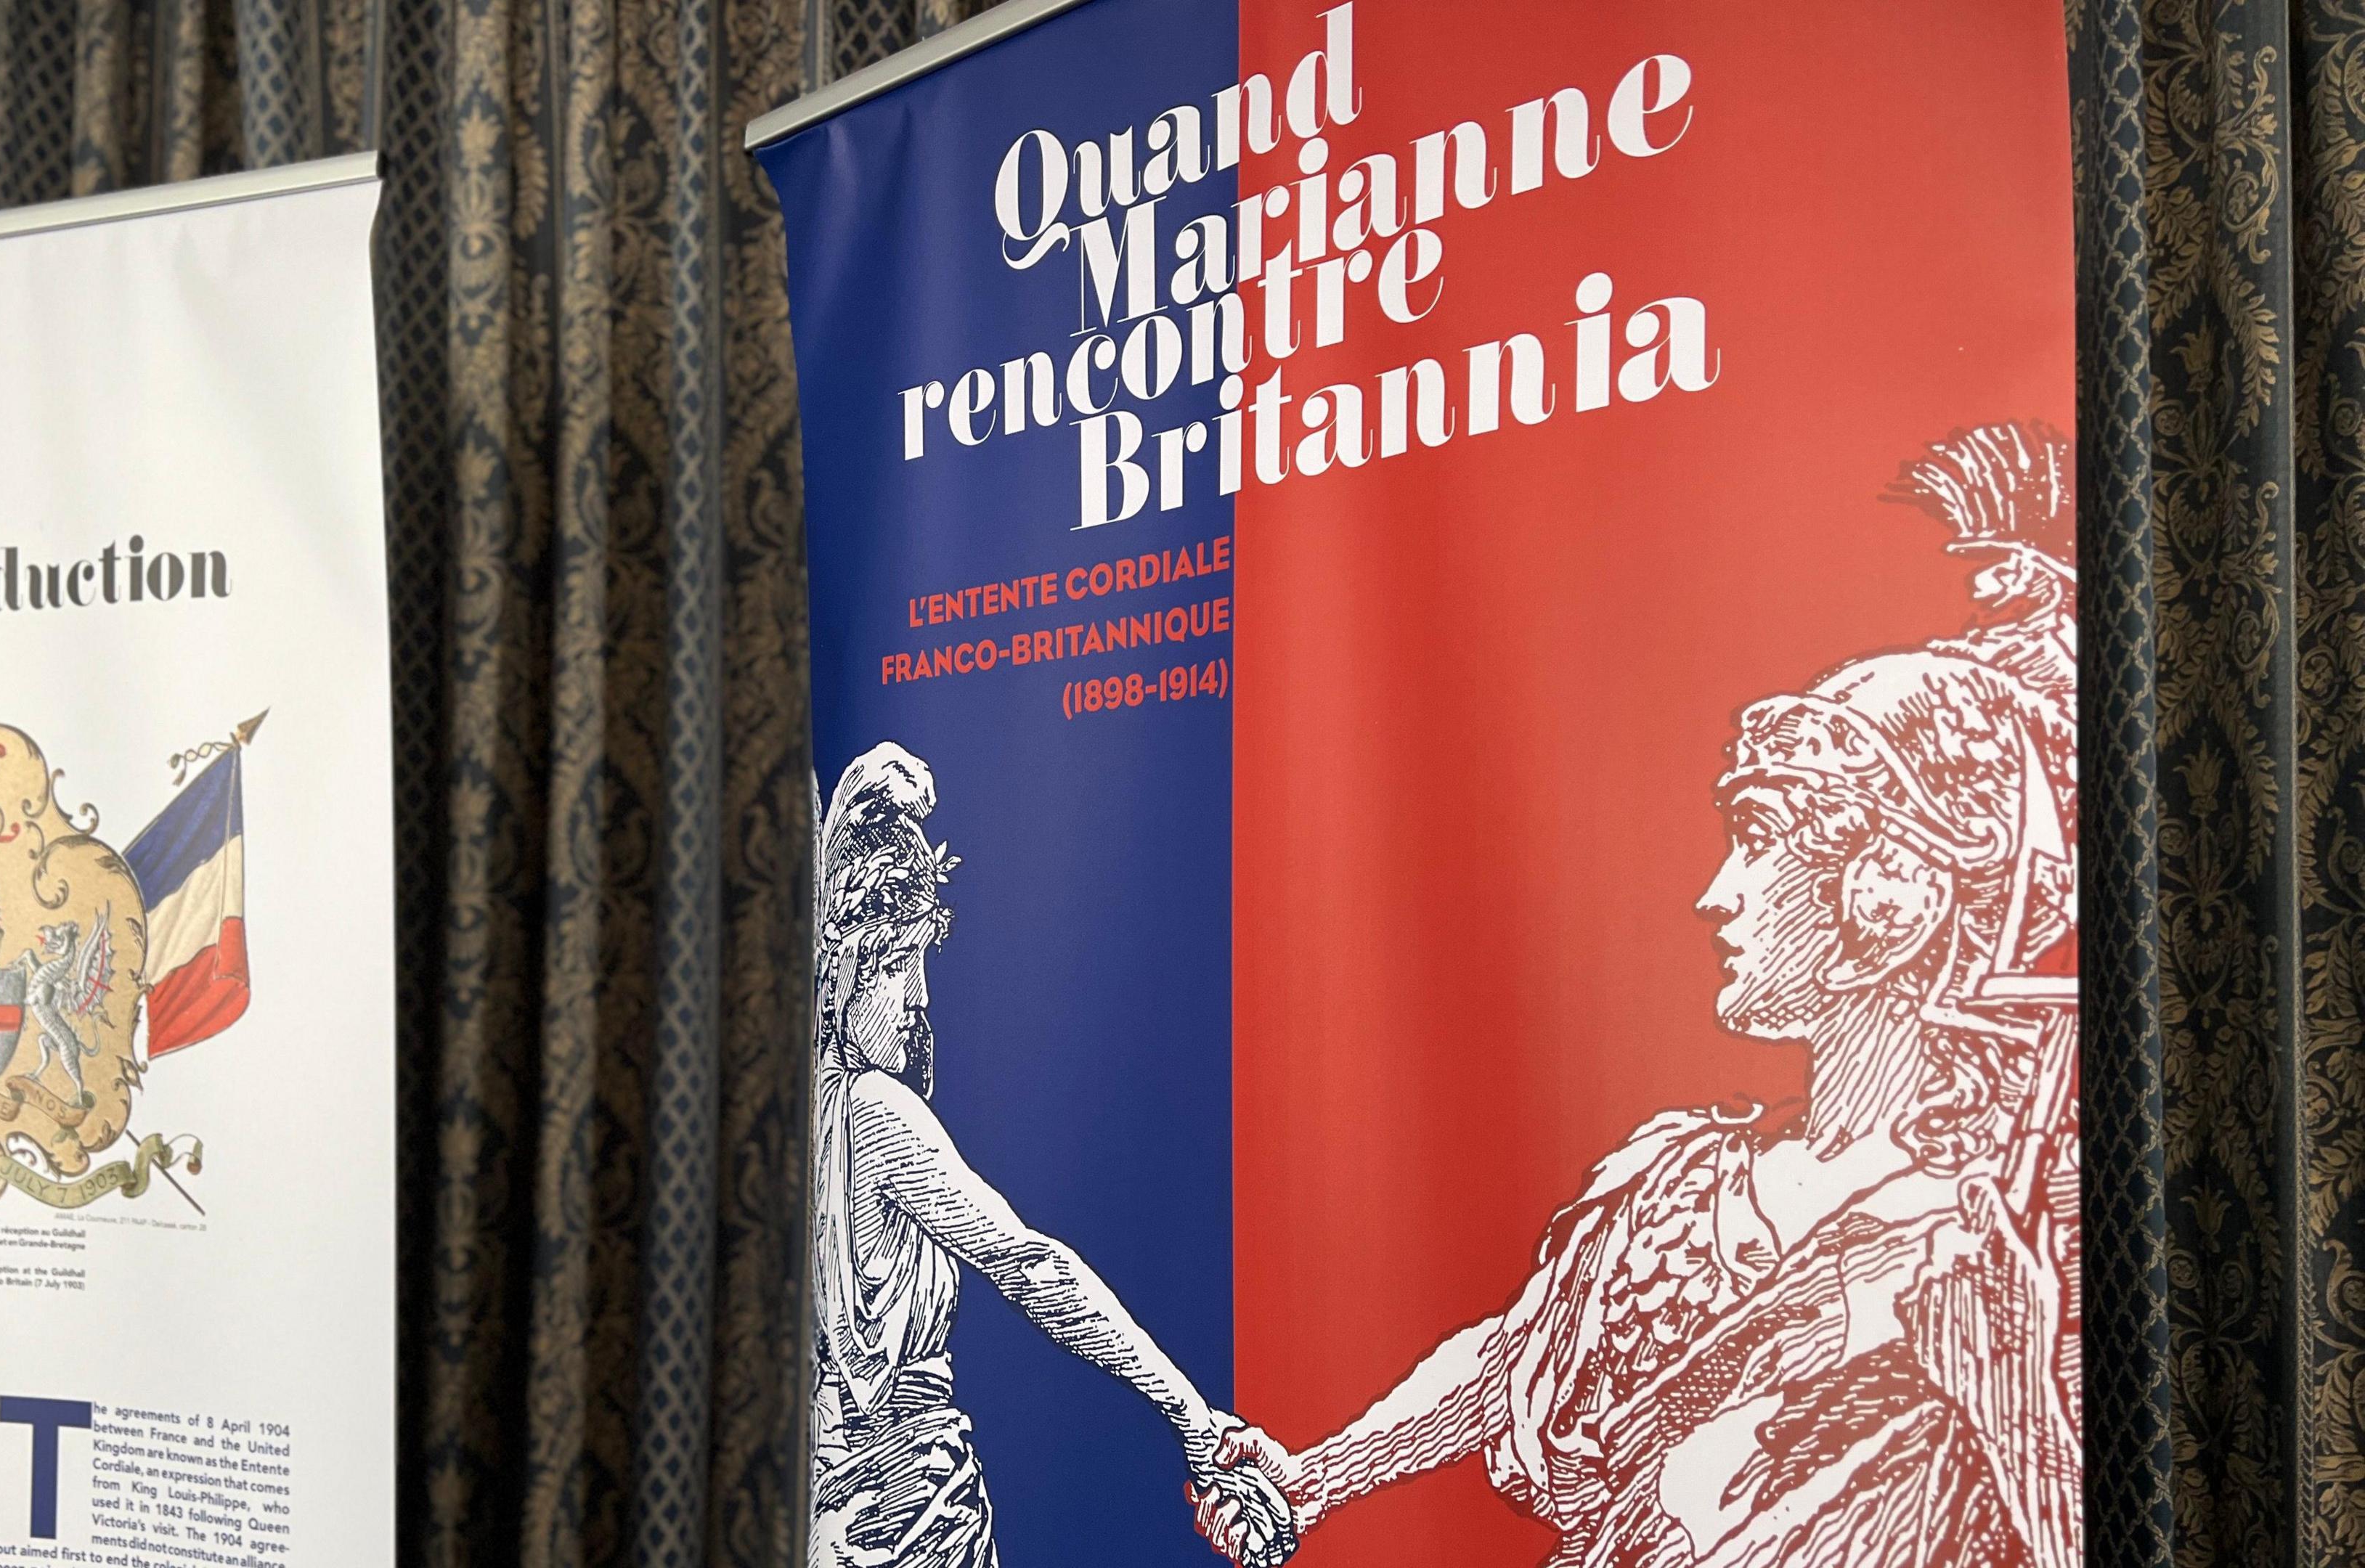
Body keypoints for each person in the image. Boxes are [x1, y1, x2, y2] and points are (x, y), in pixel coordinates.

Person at [1198, 424, 2084, 1568]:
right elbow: (1518, 1353)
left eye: (1764, 843)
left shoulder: (2017, 1243)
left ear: (1892, 897)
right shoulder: (1680, 1178)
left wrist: (2011, 1395)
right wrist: (1317, 1476)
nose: (1720, 895)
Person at [810, 742, 1293, 1568]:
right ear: (846, 966)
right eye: (899, 963)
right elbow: (1034, 1268)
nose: (921, 997)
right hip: (907, 1519)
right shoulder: (871, 1112)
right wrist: (1191, 1416)